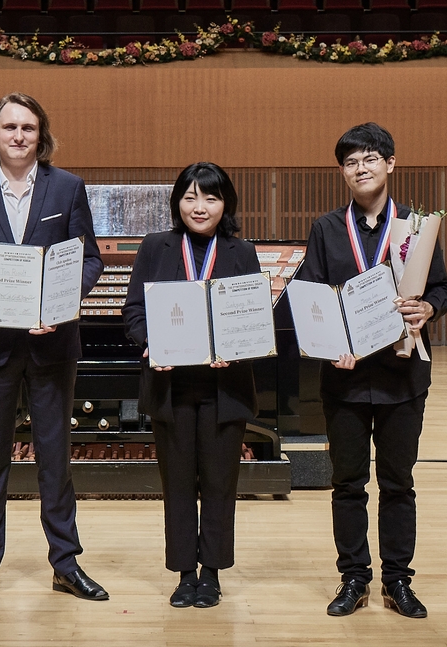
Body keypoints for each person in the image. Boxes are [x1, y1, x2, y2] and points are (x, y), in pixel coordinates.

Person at [0, 92, 107, 605]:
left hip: (51, 346)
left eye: (28, 128)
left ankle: (65, 563)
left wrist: (60, 304)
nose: (18, 136)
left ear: (42, 136)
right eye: (9, 127)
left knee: (55, 460)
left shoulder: (69, 187)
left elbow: (90, 261)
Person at [295, 123, 447, 619]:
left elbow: (442, 289)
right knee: (347, 484)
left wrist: (428, 308)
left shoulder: (418, 226)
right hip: (344, 378)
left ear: (390, 163)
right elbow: (314, 296)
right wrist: (328, 345)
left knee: (398, 482)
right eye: (350, 162)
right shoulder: (325, 228)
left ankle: (398, 581)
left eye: (369, 158)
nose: (360, 168)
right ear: (343, 172)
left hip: (403, 377)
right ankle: (353, 578)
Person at [121, 162, 260, 609]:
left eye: (211, 198)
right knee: (178, 483)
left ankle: (213, 573)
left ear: (226, 204)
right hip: (171, 386)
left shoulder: (241, 251)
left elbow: (252, 316)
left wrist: (238, 345)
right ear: (176, 202)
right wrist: (150, 345)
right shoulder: (155, 247)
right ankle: (184, 573)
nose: (199, 207)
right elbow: (135, 312)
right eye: (190, 197)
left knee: (220, 483)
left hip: (225, 387)